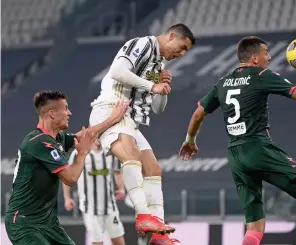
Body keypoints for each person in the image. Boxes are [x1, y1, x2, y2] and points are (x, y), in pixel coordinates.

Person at [179, 36, 296, 245]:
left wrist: (190, 139)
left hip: (236, 155)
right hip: (258, 147)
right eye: (266, 53)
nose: (269, 57)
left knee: (254, 226)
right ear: (254, 58)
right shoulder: (261, 75)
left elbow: (198, 113)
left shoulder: (223, 83)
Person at [89, 23, 195, 244]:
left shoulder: (158, 65)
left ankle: (158, 234)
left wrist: (163, 88)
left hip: (129, 120)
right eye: (182, 47)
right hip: (110, 108)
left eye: (186, 51)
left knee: (153, 168)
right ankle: (144, 217)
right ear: (171, 36)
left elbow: (157, 108)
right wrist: (151, 84)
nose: (182, 54)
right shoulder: (143, 44)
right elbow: (117, 71)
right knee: (131, 155)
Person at [5, 90, 129, 245]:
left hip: (48, 223)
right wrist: (82, 153)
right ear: (52, 114)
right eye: (66, 108)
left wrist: (113, 119)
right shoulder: (38, 142)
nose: (69, 113)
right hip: (24, 223)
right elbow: (70, 178)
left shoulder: (57, 138)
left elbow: (86, 135)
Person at [63, 139, 126, 245]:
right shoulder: (79, 153)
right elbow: (67, 176)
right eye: (98, 134)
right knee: (97, 242)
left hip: (110, 206)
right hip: (90, 208)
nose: (100, 137)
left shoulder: (111, 151)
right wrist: (67, 197)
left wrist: (121, 188)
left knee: (119, 241)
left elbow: (117, 171)